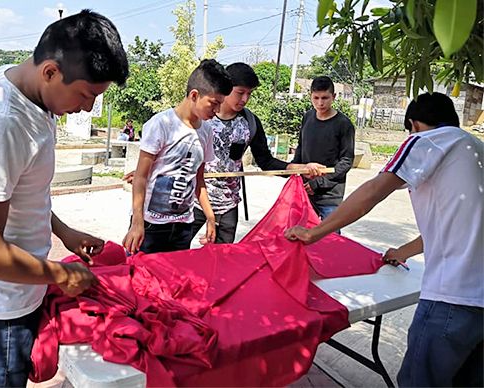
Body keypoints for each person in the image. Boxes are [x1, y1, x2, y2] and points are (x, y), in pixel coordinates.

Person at [0, 10, 129, 387]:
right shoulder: (1, 125)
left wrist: (62, 231)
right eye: (86, 95)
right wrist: (60, 274)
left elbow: (22, 190)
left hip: (10, 296)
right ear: (50, 72)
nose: (88, 108)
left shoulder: (28, 90)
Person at [285, 92, 483, 387]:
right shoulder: (476, 149)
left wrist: (314, 232)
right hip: (478, 304)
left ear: (414, 124)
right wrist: (404, 250)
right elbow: (459, 224)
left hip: (451, 297)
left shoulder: (426, 141)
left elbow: (375, 189)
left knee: (420, 381)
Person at [190, 62, 325, 243]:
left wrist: (301, 168)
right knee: (174, 251)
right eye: (240, 92)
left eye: (249, 94)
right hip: (193, 199)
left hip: (227, 204)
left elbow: (266, 161)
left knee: (221, 258)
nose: (245, 99)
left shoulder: (250, 123)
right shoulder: (202, 116)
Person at [122, 59, 232, 254]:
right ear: (194, 95)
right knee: (141, 279)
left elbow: (199, 181)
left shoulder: (206, 131)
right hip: (151, 225)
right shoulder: (161, 124)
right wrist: (137, 223)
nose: (216, 112)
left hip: (182, 227)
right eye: (214, 104)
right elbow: (140, 177)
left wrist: (210, 217)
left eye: (220, 105)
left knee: (174, 281)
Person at [291, 76, 355, 222]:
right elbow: (301, 148)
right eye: (316, 98)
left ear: (334, 97)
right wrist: (295, 171)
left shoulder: (344, 124)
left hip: (330, 196)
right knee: (302, 237)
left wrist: (318, 183)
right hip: (305, 191)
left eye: (325, 98)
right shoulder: (307, 117)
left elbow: (346, 162)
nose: (320, 103)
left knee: (330, 240)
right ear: (310, 97)